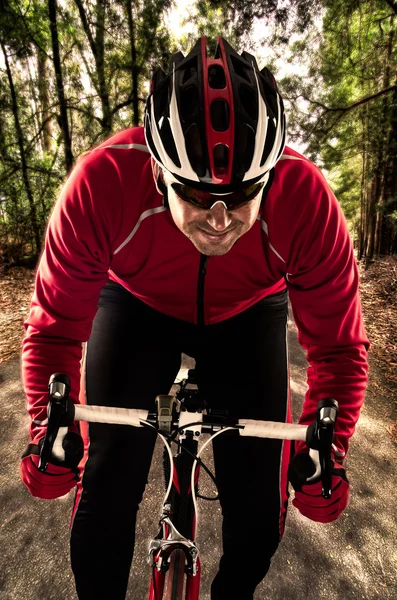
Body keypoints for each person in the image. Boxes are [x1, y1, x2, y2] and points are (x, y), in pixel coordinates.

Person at [20, 36, 369, 600]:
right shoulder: (101, 182)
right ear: (157, 170)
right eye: (196, 193)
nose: (219, 219)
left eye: (243, 194)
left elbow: (337, 349)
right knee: (104, 489)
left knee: (260, 515)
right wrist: (49, 432)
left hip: (249, 314)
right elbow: (56, 330)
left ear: (273, 174)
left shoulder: (306, 201)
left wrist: (327, 449)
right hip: (136, 306)